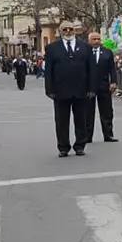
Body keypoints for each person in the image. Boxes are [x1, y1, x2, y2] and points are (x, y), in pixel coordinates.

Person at [43, 20, 94, 157]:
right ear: (60, 32)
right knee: (61, 121)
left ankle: (80, 146)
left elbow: (91, 69)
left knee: (81, 120)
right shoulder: (52, 48)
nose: (68, 32)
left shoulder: (85, 47)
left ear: (75, 30)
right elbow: (48, 71)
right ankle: (63, 147)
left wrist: (91, 88)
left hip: (81, 89)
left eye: (70, 29)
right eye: (64, 29)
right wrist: (49, 89)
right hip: (60, 90)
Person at [86, 31, 119, 143]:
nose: (96, 41)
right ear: (89, 41)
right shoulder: (85, 52)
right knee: (88, 112)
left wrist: (113, 82)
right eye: (94, 39)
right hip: (89, 86)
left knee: (107, 111)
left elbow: (112, 69)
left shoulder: (107, 52)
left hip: (104, 85)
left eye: (98, 39)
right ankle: (87, 136)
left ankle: (108, 134)